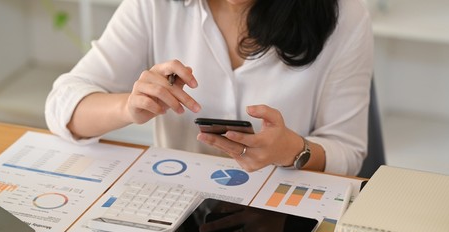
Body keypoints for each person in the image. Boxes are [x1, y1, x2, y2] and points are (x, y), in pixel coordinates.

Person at [45, 0, 373, 176]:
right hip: (178, 201)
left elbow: (348, 153)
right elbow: (62, 106)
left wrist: (294, 150)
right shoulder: (154, 5)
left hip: (282, 209)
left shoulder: (344, 16)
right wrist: (127, 106)